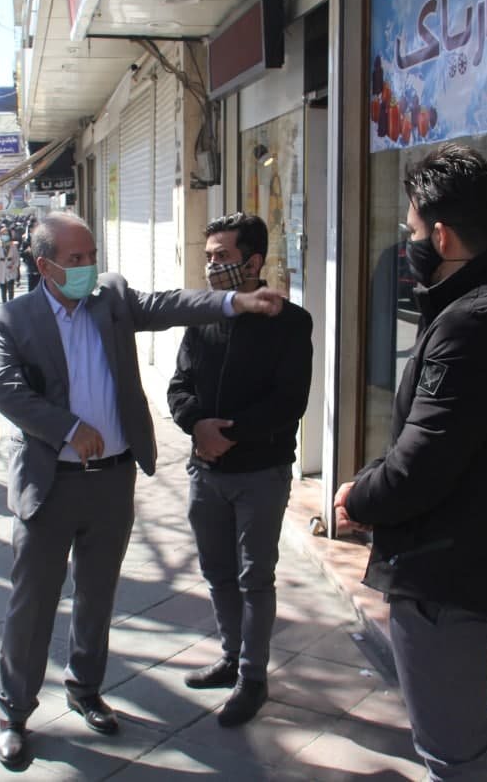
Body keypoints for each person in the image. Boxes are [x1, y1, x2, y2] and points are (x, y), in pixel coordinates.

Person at [0, 212, 285, 768]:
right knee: (33, 603)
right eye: (75, 259)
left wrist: (234, 302)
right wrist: (68, 428)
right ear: (44, 266)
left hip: (112, 480)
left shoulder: (112, 298)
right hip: (51, 484)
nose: (87, 267)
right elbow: (5, 389)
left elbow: (172, 304)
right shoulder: (15, 318)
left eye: (91, 256)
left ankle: (85, 688)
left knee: (97, 595)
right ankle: (14, 711)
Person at [333, 144, 487, 782]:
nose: (408, 245)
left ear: (441, 236)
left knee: (452, 758)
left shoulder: (475, 320)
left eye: (411, 231)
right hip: (466, 564)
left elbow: (421, 463)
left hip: (448, 574)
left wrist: (357, 497)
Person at [167, 213, 313, 727]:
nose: (212, 266)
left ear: (253, 262)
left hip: (260, 472)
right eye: (208, 256)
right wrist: (196, 425)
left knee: (254, 578)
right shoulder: (203, 316)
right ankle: (231, 657)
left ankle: (253, 677)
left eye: (222, 256)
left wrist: (226, 435)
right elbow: (179, 385)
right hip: (206, 472)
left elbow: (289, 401)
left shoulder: (290, 323)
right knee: (217, 572)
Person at [0, 226, 21, 303]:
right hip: (0, 269)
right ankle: (4, 305)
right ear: (0, 235)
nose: (5, 236)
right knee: (3, 289)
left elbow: (17, 258)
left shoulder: (13, 245)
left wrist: (14, 266)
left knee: (11, 289)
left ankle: (11, 304)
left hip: (10, 269)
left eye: (6, 234)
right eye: (3, 234)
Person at [20, 223, 41, 292]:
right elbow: (21, 254)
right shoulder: (26, 240)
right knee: (31, 289)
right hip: (31, 268)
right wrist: (27, 251)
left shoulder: (42, 239)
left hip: (41, 268)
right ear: (30, 229)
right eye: (34, 227)